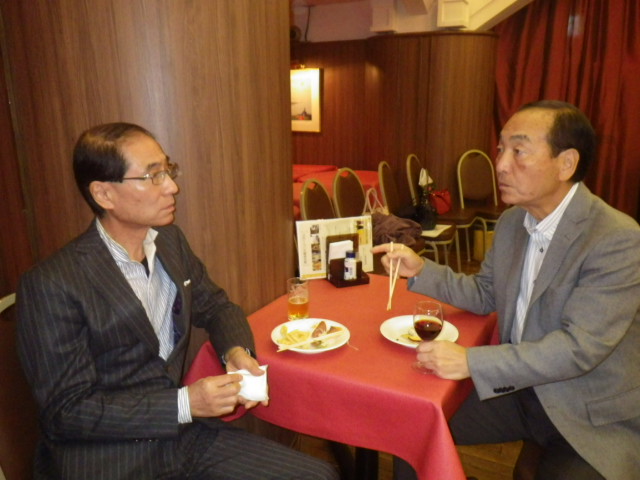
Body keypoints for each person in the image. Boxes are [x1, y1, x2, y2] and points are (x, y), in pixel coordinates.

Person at [17, 123, 338, 480]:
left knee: (318, 476)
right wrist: (185, 404)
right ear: (104, 194)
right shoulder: (52, 284)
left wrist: (236, 352)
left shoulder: (169, 241)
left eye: (168, 170)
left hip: (181, 437)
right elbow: (66, 412)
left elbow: (216, 306)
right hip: (106, 458)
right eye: (153, 176)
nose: (172, 186)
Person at [373, 100, 640, 480]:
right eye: (501, 149)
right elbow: (486, 293)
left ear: (566, 163)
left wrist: (472, 362)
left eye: (519, 150)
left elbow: (579, 349)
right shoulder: (514, 221)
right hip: (523, 391)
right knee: (412, 426)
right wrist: (422, 270)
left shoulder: (616, 237)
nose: (500, 164)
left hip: (588, 409)